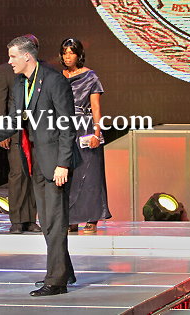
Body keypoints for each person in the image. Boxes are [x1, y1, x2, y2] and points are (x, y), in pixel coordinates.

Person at [0, 36, 80, 297]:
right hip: (35, 160)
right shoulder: (20, 83)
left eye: (13, 56)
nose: (9, 62)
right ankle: (65, 271)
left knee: (55, 221)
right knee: (48, 220)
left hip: (55, 162)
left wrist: (63, 164)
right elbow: (12, 122)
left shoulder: (54, 80)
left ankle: (56, 280)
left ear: (27, 56)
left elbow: (67, 125)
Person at [60, 38, 112, 234]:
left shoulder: (90, 77)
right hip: (65, 127)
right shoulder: (59, 77)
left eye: (71, 52)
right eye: (64, 53)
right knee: (69, 174)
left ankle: (92, 218)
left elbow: (96, 108)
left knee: (90, 174)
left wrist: (97, 133)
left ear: (79, 54)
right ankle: (72, 218)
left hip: (86, 127)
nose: (67, 57)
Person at [0, 34, 40, 234]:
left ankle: (31, 219)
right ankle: (18, 220)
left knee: (35, 175)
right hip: (15, 132)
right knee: (18, 174)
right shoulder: (5, 70)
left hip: (37, 132)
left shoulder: (42, 70)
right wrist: (1, 132)